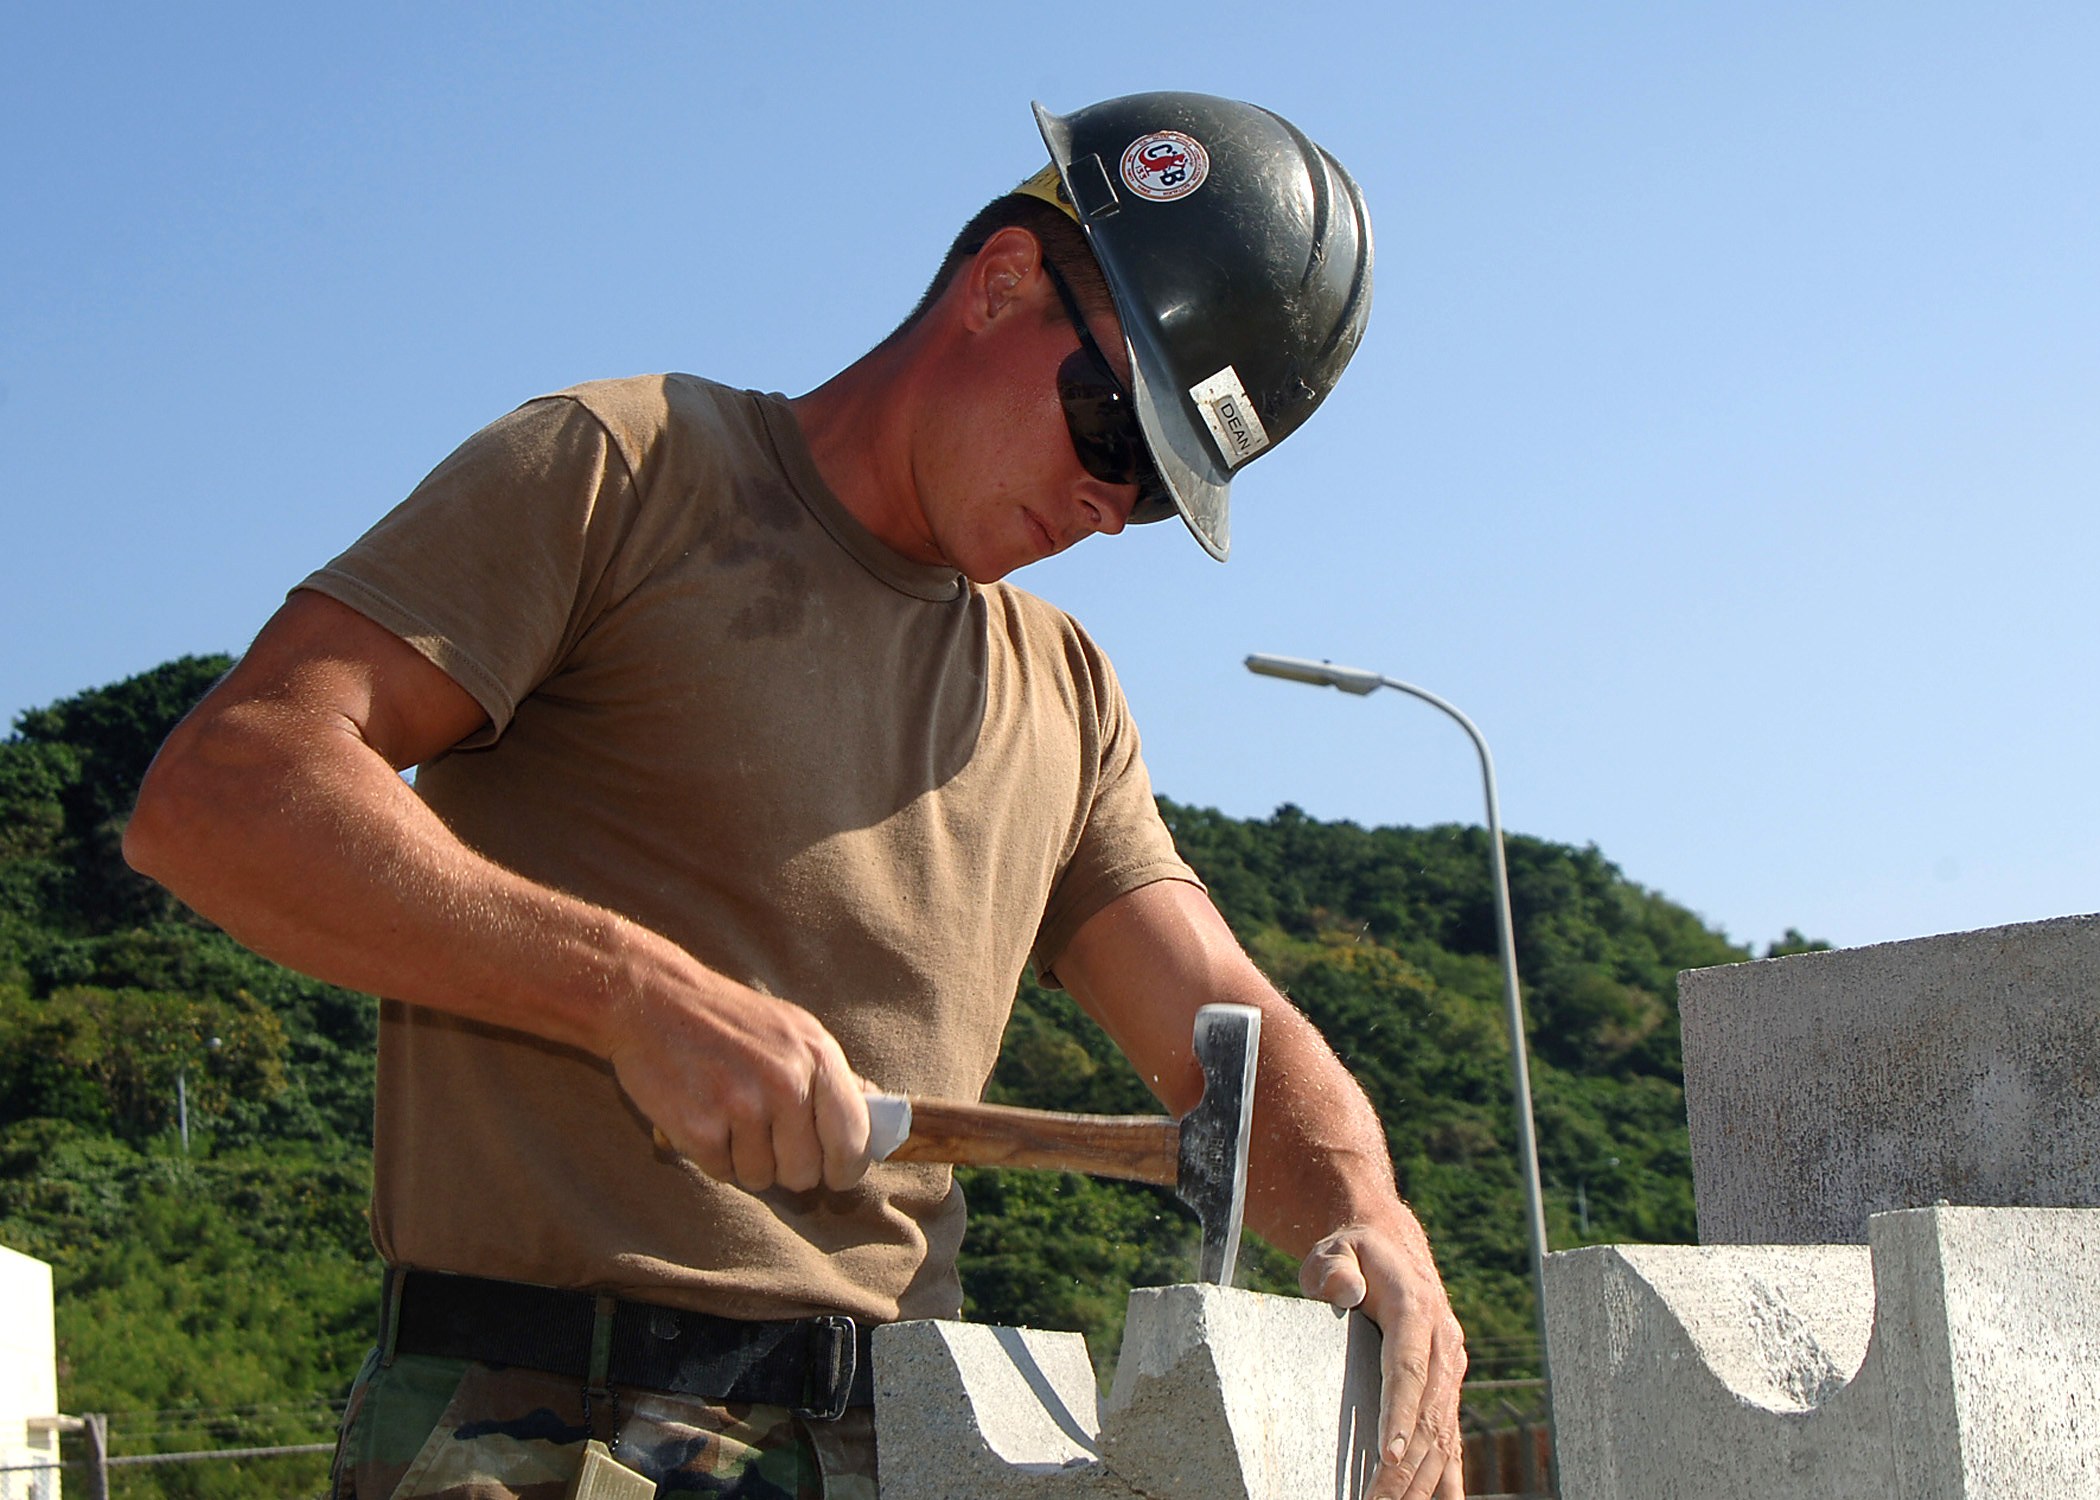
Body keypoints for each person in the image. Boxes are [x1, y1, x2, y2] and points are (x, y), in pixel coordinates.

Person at [124, 92, 1468, 1500]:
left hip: (890, 1445)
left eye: (1155, 495)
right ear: (1002, 283)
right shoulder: (625, 470)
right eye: (1112, 433)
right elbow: (229, 788)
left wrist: (1365, 1208)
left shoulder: (1063, 695)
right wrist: (631, 997)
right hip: (537, 1434)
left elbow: (1218, 1025)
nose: (1106, 508)